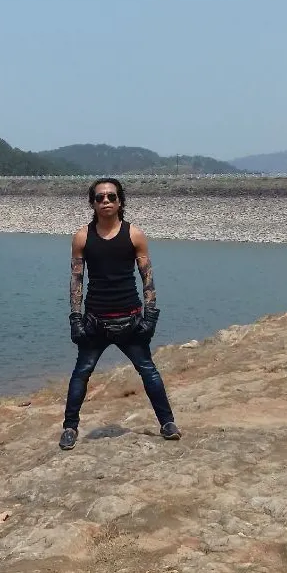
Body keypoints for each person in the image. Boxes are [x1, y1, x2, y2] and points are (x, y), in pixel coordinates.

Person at [59, 177, 181, 450]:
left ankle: (167, 423)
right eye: (100, 197)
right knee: (82, 372)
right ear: (92, 202)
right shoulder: (82, 236)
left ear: (120, 201)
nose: (106, 201)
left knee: (148, 370)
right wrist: (75, 318)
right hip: (95, 322)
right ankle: (70, 428)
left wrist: (151, 315)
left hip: (130, 320)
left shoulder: (134, 234)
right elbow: (76, 280)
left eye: (111, 197)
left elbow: (147, 277)